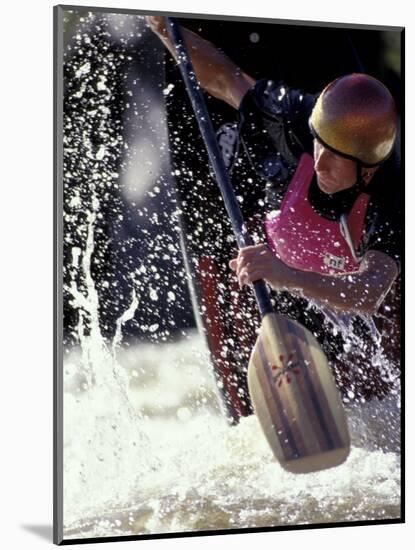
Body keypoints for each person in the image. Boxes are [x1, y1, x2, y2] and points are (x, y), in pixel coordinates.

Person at [147, 16, 401, 417]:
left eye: (336, 158)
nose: (320, 163)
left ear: (367, 169)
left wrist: (287, 275)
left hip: (329, 275)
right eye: (319, 146)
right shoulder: (294, 120)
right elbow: (226, 81)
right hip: (283, 222)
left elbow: (369, 293)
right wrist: (162, 26)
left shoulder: (391, 196)